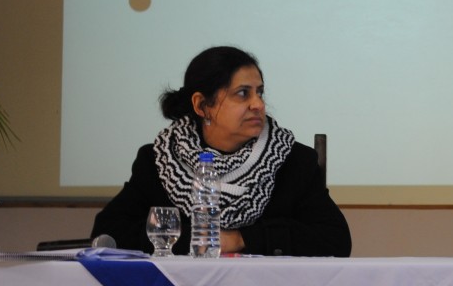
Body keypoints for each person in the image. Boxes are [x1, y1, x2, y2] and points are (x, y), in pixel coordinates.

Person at [92, 46, 352, 257]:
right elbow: (109, 233)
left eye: (260, 93)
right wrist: (195, 242)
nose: (258, 104)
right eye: (242, 94)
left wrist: (241, 239)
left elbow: (335, 240)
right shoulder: (160, 161)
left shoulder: (292, 160)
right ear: (202, 105)